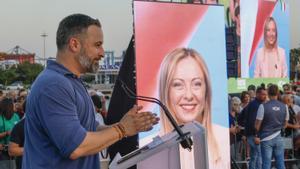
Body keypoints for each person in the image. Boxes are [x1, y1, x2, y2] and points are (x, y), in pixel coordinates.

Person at [23, 14, 159, 169]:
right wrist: (121, 129)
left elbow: (90, 129)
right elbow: (76, 147)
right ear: (74, 44)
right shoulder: (53, 85)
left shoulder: (73, 81)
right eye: (97, 45)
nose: (102, 52)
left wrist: (127, 126)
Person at [158, 48, 230, 169]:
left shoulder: (223, 139)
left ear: (206, 90)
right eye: (178, 85)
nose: (189, 95)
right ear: (166, 91)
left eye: (196, 84)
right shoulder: (148, 150)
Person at [255, 84, 288, 169]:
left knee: (266, 164)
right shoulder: (285, 106)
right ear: (277, 93)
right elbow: (285, 124)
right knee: (280, 163)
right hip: (279, 137)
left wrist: (257, 135)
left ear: (268, 93)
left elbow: (257, 126)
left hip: (266, 139)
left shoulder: (262, 106)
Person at [238, 87, 267, 169]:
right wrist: (256, 135)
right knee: (259, 156)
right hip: (254, 136)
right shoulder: (257, 105)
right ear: (257, 94)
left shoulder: (251, 104)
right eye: (263, 94)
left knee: (254, 156)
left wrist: (245, 129)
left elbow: (240, 117)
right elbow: (253, 121)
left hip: (251, 134)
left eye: (266, 94)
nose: (265, 96)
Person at [0, 98, 20, 169]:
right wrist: (6, 133)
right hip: (3, 151)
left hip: (15, 149)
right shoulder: (0, 118)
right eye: (13, 105)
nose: (15, 105)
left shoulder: (16, 116)